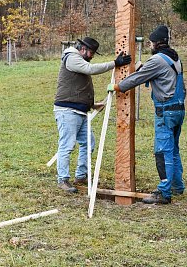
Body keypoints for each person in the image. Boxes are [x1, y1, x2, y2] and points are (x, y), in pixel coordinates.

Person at [107, 25, 185, 204]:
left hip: (165, 111)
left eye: (150, 42)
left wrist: (118, 86)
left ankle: (164, 192)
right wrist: (144, 68)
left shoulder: (157, 60)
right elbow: (161, 75)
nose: (149, 45)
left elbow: (137, 78)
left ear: (156, 43)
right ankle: (177, 186)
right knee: (173, 149)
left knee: (162, 151)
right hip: (179, 109)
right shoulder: (174, 57)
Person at [54, 37, 131, 193]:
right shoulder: (72, 57)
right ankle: (63, 179)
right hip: (68, 111)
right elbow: (90, 69)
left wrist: (91, 105)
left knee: (88, 143)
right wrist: (115, 63)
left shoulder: (78, 60)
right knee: (67, 146)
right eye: (91, 52)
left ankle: (81, 176)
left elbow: (76, 87)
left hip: (80, 111)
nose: (92, 56)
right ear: (83, 49)